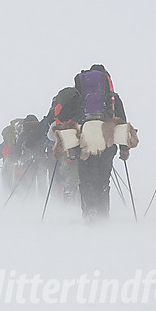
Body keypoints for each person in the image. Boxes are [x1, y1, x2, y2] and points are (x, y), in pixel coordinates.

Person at [51, 65, 137, 221]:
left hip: (83, 146)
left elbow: (62, 117)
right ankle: (103, 216)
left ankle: (88, 215)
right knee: (103, 181)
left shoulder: (78, 98)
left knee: (85, 180)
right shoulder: (112, 98)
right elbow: (123, 123)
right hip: (107, 146)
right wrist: (124, 150)